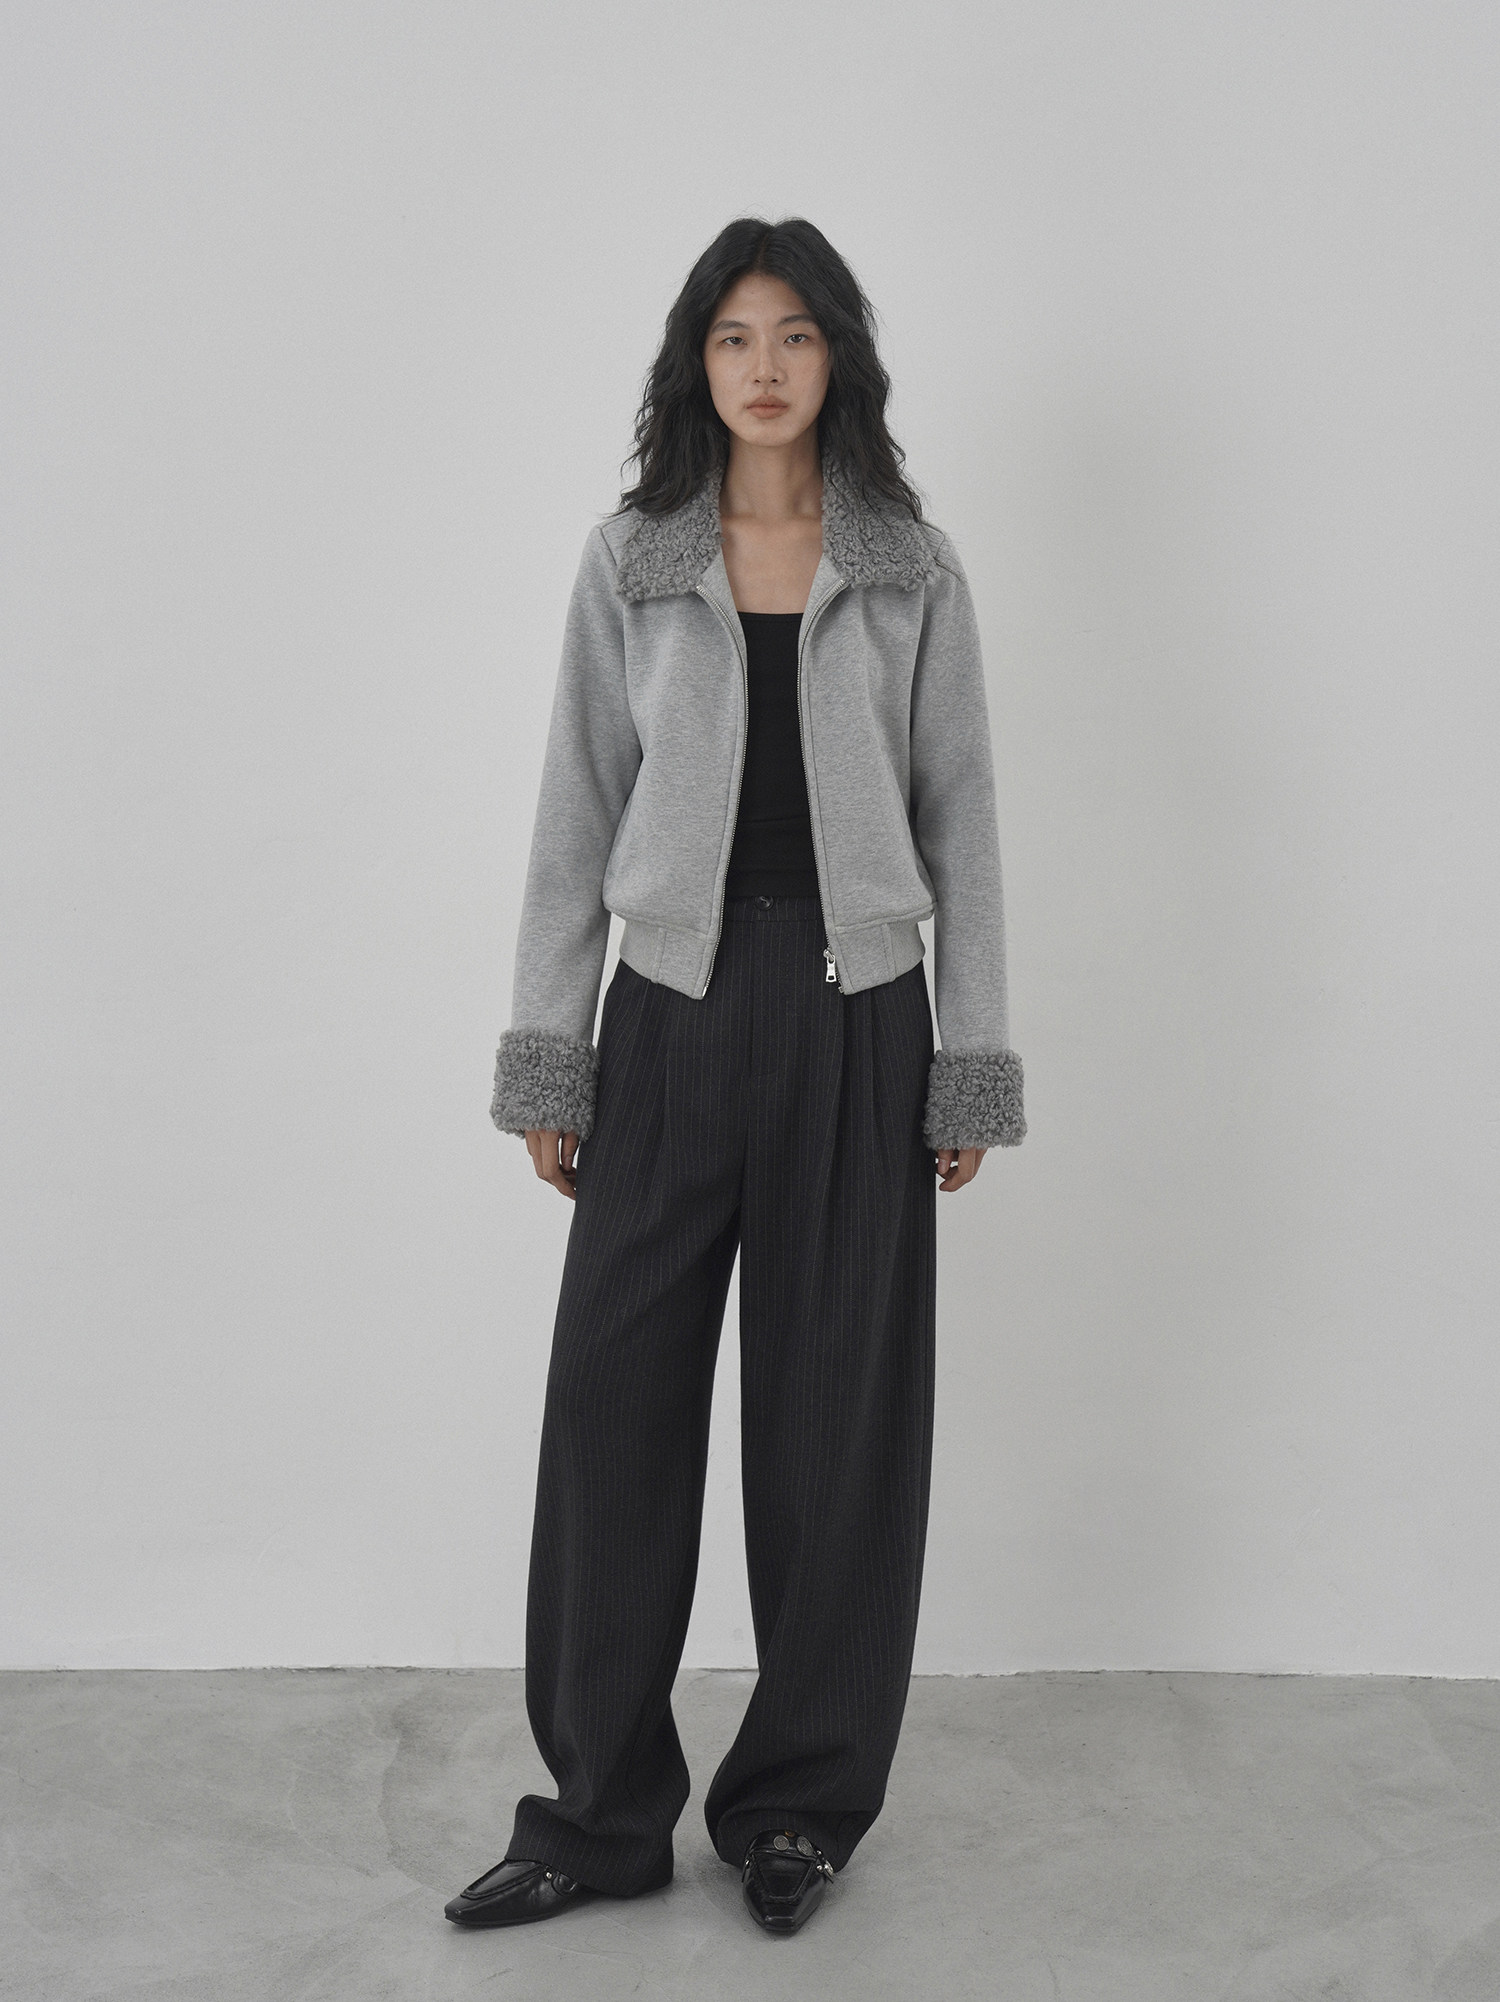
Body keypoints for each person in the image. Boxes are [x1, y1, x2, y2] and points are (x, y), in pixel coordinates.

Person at [445, 215, 1025, 1939]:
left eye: (794, 334)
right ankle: (599, 1812)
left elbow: (963, 821)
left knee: (837, 1426)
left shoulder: (910, 567)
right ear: (695, 365)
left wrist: (969, 1061)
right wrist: (551, 1052)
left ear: (839, 357)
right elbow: (575, 812)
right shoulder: (634, 560)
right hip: (670, 1014)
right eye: (732, 337)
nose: (764, 366)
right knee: (612, 1409)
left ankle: (799, 1805)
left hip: (862, 1018)